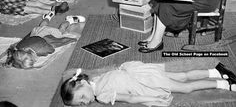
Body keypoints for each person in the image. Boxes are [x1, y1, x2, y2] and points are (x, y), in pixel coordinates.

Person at [60, 61, 236, 106]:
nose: (85, 102)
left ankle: (223, 84)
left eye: (82, 97)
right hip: (140, 72)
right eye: (81, 104)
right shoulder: (94, 80)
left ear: (82, 85)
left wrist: (152, 101)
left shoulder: (101, 96)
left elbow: (129, 99)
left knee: (186, 86)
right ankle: (217, 72)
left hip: (143, 79)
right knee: (182, 76)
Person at [3, 15, 86, 69]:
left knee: (61, 31)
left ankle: (70, 20)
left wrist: (73, 40)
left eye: (33, 60)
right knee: (42, 25)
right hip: (36, 32)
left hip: (46, 34)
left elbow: (58, 43)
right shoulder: (18, 48)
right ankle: (48, 16)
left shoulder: (42, 49)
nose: (35, 61)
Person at [0, 0, 69, 17]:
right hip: (15, 8)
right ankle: (53, 12)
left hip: (16, 1)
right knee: (35, 9)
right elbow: (8, 8)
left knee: (37, 3)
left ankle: (55, 8)